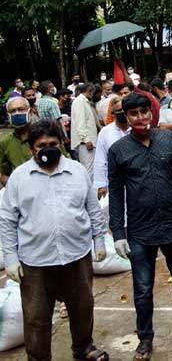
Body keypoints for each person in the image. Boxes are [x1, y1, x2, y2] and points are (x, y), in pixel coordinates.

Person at [108, 93, 172, 360]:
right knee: (142, 289)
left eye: (144, 112)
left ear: (152, 113)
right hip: (140, 232)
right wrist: (118, 233)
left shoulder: (168, 139)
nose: (141, 118)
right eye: (134, 114)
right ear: (126, 118)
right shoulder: (118, 151)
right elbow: (116, 194)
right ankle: (145, 339)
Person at [0, 120, 110, 361]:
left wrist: (99, 240)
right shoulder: (19, 178)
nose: (47, 148)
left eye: (53, 143)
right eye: (41, 145)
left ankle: (83, 348)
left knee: (82, 308)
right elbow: (7, 220)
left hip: (76, 255)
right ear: (32, 149)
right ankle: (39, 358)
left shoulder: (77, 171)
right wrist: (10, 258)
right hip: (35, 261)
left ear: (61, 144)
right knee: (36, 317)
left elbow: (93, 209)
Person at [93, 96, 128, 199]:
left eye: (124, 110)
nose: (122, 113)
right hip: (115, 181)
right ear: (113, 113)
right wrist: (101, 184)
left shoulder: (137, 130)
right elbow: (100, 159)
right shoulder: (105, 132)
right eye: (119, 110)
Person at [0, 97, 34, 186]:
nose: (17, 113)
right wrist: (13, 188)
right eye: (12, 111)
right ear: (8, 116)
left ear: (29, 111)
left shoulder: (45, 135)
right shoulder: (5, 142)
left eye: (21, 109)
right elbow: (4, 174)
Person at [71, 83, 98, 179]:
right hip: (84, 142)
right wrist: (86, 139)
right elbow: (80, 122)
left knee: (91, 168)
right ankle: (88, 192)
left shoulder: (83, 101)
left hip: (87, 141)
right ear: (89, 91)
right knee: (88, 169)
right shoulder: (79, 101)